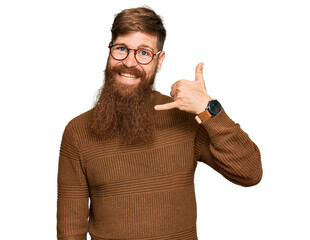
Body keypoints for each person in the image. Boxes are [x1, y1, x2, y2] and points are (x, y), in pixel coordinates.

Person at [57, 6, 262, 240]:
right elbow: (70, 230)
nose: (130, 62)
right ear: (109, 51)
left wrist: (210, 109)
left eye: (144, 53)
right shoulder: (77, 131)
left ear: (159, 60)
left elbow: (250, 173)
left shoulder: (185, 118)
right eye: (121, 49)